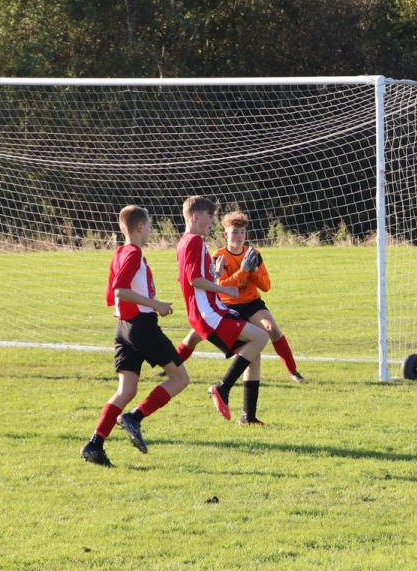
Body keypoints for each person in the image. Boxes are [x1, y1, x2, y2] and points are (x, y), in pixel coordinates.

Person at [80, 205, 189, 467]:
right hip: (140, 326)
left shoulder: (119, 253)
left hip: (124, 327)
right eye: (150, 226)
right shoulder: (133, 253)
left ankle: (95, 444)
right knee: (180, 378)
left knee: (126, 389)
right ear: (140, 227)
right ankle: (135, 418)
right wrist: (156, 304)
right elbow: (119, 290)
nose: (150, 230)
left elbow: (113, 294)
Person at [172, 211, 304, 405]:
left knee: (271, 328)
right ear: (226, 234)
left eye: (242, 232)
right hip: (226, 305)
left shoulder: (254, 254)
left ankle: (293, 371)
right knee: (192, 338)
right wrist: (243, 271)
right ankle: (171, 367)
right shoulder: (219, 256)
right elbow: (222, 287)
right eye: (234, 232)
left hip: (251, 303)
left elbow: (266, 286)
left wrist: (253, 272)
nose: (239, 236)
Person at [176, 196, 268, 423]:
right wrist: (226, 289)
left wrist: (215, 274)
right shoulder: (195, 241)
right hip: (208, 312)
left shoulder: (187, 241)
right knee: (260, 337)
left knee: (253, 353)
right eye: (209, 218)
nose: (212, 223)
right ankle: (222, 388)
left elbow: (194, 277)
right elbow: (193, 280)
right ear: (196, 217)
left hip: (209, 309)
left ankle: (248, 417)